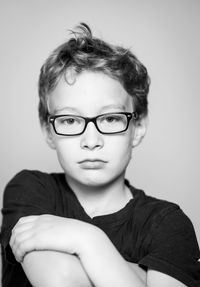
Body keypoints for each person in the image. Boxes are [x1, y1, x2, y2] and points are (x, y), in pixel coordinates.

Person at [1, 23, 200, 287]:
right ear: (49, 131)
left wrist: (88, 240)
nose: (91, 141)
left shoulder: (167, 224)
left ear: (137, 127)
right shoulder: (31, 189)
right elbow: (58, 279)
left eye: (111, 118)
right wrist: (139, 276)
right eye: (70, 120)